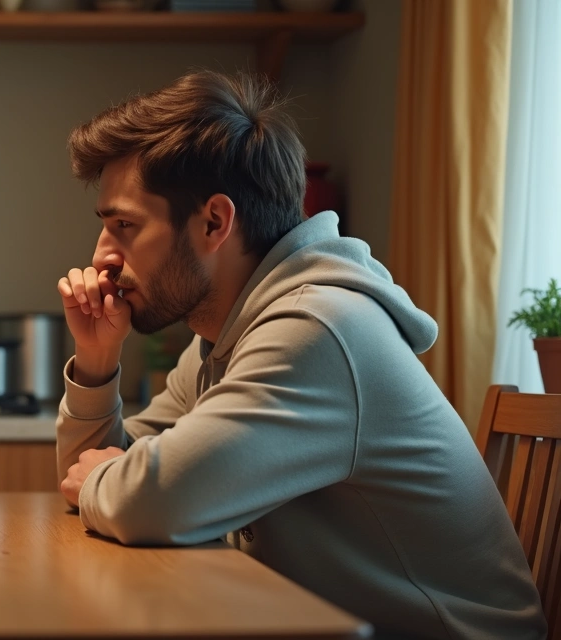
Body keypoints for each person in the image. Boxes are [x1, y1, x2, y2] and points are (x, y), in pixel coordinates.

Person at [54, 70, 545, 639]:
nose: (102, 256)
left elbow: (152, 502)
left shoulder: (317, 329)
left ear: (214, 222)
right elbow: (87, 482)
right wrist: (96, 360)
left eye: (124, 225)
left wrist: (112, 481)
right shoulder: (223, 338)